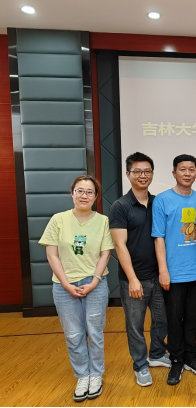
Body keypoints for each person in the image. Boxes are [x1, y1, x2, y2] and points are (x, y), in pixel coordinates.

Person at [39, 176, 113, 403]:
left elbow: (105, 253)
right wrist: (65, 284)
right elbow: (52, 254)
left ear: (96, 197)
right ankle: (82, 376)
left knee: (95, 332)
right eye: (79, 191)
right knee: (73, 334)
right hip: (64, 285)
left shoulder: (102, 221)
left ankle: (96, 375)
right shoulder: (58, 219)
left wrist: (94, 281)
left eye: (89, 192)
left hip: (95, 283)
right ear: (72, 193)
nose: (84, 195)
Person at [109, 153, 170, 388]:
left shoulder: (158, 202)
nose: (142, 175)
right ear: (128, 174)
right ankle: (140, 364)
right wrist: (133, 279)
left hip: (159, 276)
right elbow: (119, 245)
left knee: (162, 320)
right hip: (134, 280)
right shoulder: (121, 206)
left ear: (152, 174)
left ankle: (157, 354)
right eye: (137, 171)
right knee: (135, 326)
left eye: (147, 171)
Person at [152, 154, 196, 385]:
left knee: (192, 320)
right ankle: (176, 360)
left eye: (191, 169)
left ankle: (191, 357)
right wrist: (163, 271)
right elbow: (158, 238)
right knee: (174, 321)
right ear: (174, 173)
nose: (187, 173)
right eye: (182, 169)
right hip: (173, 274)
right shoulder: (162, 200)